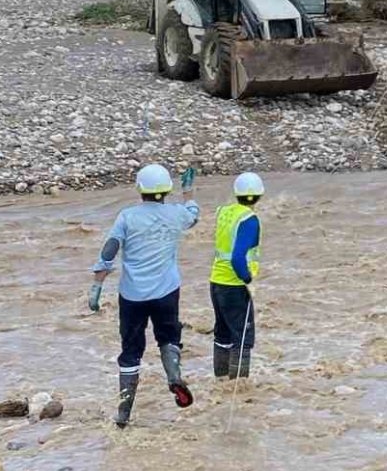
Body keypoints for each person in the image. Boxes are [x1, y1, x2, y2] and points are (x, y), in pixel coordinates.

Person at [89, 163, 199, 428]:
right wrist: (188, 192)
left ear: (140, 189)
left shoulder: (127, 216)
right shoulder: (176, 214)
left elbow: (110, 248)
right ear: (166, 190)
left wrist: (97, 286)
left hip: (132, 295)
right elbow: (193, 215)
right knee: (169, 337)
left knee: (130, 351)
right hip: (167, 292)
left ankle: (124, 413)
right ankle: (173, 375)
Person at [210, 172, 265, 379]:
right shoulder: (249, 220)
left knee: (223, 335)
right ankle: (239, 387)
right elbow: (237, 258)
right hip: (236, 285)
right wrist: (248, 279)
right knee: (242, 338)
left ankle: (221, 380)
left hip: (216, 282)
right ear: (259, 195)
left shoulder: (224, 212)